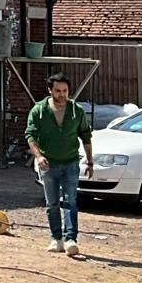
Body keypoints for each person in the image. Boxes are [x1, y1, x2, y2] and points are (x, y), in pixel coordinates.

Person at [25, 73, 94, 255]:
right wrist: (38, 156)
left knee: (71, 201)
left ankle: (70, 238)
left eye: (65, 91)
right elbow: (30, 135)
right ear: (50, 90)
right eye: (58, 91)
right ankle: (56, 238)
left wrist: (90, 161)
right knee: (52, 203)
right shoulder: (39, 111)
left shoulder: (76, 110)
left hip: (71, 162)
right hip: (48, 164)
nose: (62, 94)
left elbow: (85, 135)